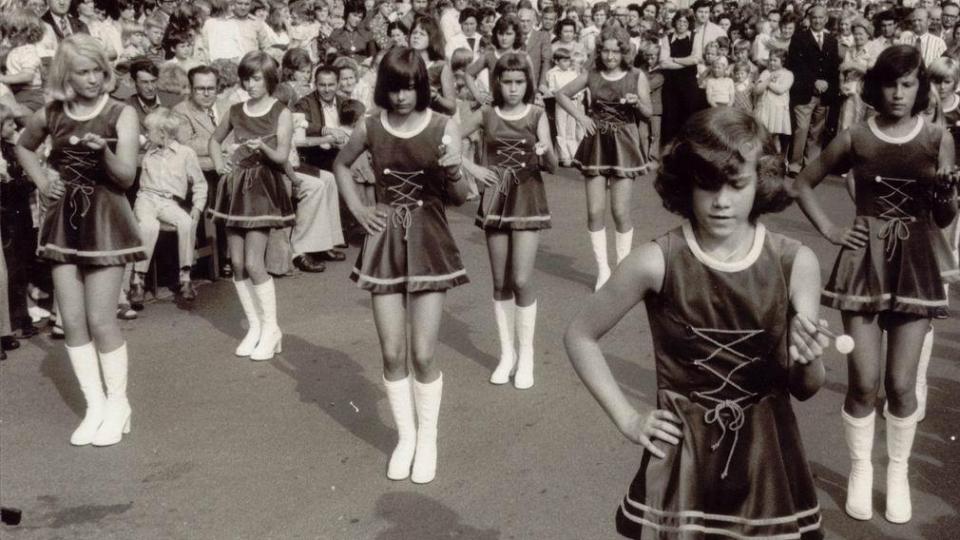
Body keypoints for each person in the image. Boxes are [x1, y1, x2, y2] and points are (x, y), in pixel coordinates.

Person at [565, 106, 826, 540]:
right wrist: (628, 419)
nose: (722, 201)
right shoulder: (656, 260)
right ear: (685, 183)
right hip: (683, 456)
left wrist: (806, 356)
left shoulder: (794, 262)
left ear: (760, 181)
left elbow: (806, 387)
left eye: (737, 184)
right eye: (707, 185)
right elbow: (580, 334)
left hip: (767, 459)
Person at [792, 45, 957, 524]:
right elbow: (803, 182)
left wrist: (946, 196)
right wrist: (831, 230)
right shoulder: (855, 137)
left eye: (908, 84)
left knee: (901, 385)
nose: (899, 93)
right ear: (875, 86)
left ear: (920, 88)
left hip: (918, 262)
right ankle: (862, 468)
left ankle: (898, 472)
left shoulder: (936, 137)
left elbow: (946, 215)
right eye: (891, 83)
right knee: (863, 382)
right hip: (864, 260)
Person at [332, 47, 472, 484]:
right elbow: (340, 165)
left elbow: (462, 196)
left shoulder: (443, 126)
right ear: (384, 88)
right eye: (394, 87)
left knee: (423, 353)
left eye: (410, 86)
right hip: (384, 239)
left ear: (421, 87)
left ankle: (427, 438)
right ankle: (406, 438)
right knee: (392, 352)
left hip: (428, 239)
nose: (402, 96)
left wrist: (453, 170)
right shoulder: (370, 126)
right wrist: (358, 210)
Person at [14, 34, 143, 447]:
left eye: (97, 71)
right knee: (70, 320)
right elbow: (23, 146)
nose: (91, 79)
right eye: (82, 72)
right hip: (63, 219)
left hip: (105, 217)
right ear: (67, 76)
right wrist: (40, 179)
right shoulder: (52, 112)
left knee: (101, 319)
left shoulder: (120, 112)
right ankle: (95, 406)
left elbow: (126, 177)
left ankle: (119, 403)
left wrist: (101, 152)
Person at [458, 52, 557, 388]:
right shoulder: (485, 113)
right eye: (507, 81)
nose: (513, 88)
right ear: (497, 83)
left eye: (519, 82)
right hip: (495, 199)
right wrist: (473, 168)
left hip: (528, 199)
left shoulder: (537, 114)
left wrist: (547, 151)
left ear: (528, 83)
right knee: (500, 281)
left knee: (522, 278)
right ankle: (507, 355)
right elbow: (447, 138)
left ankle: (526, 355)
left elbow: (554, 165)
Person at [208, 51, 295, 361]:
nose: (250, 83)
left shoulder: (280, 111)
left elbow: (282, 156)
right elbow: (214, 141)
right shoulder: (234, 110)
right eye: (246, 78)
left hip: (261, 190)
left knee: (255, 262)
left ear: (270, 79)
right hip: (235, 188)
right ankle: (256, 326)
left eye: (256, 78)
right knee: (238, 262)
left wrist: (265, 147)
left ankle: (271, 328)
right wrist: (220, 165)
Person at [556, 25, 652, 291]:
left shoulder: (636, 76)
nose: (610, 56)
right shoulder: (592, 74)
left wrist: (636, 104)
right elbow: (561, 94)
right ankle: (603, 270)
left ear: (624, 52)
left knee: (620, 211)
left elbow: (648, 111)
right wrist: (580, 116)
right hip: (597, 141)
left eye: (616, 51)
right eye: (605, 51)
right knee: (595, 211)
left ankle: (622, 269)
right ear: (599, 51)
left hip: (625, 143)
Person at [131, 108, 207, 302]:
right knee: (149, 226)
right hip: (146, 199)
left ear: (163, 134)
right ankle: (138, 279)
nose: (146, 134)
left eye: (150, 131)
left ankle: (185, 277)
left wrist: (197, 207)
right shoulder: (148, 152)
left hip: (169, 202)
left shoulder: (185, 153)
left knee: (186, 222)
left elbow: (199, 183)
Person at [786, 5, 840, 175]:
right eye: (814, 17)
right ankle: (795, 165)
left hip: (824, 94)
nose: (817, 20)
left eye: (821, 17)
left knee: (817, 131)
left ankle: (810, 166)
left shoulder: (832, 40)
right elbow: (796, 64)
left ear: (826, 19)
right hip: (804, 92)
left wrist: (827, 85)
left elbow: (833, 67)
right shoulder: (799, 38)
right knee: (801, 129)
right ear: (810, 18)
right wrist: (814, 81)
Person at [754, 48, 793, 154]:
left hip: (778, 110)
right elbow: (757, 90)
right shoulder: (766, 73)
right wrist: (767, 79)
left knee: (775, 137)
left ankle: (777, 160)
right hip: (765, 108)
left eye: (775, 60)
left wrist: (768, 82)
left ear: (783, 61)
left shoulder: (788, 74)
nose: (771, 63)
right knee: (763, 135)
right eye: (770, 60)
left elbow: (780, 90)